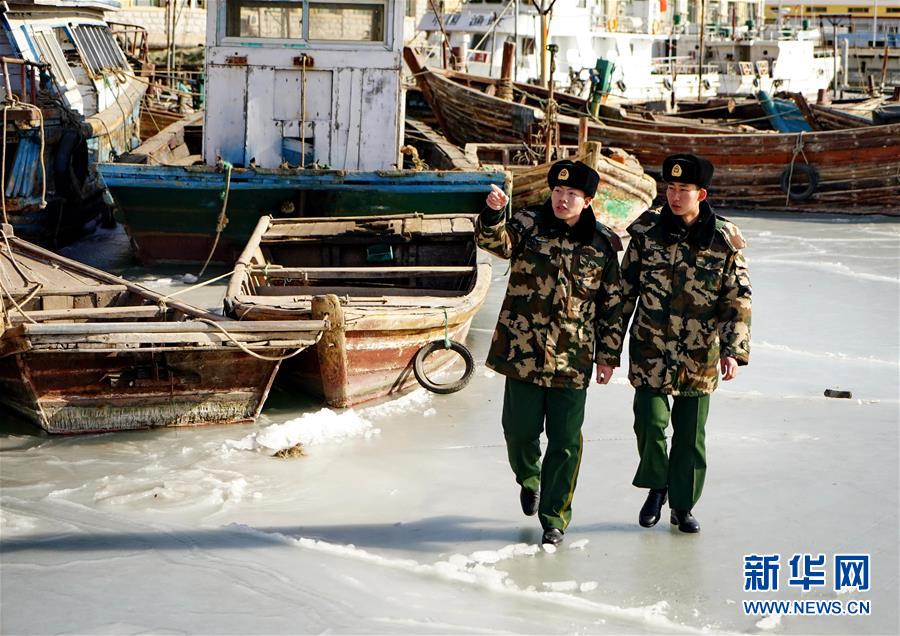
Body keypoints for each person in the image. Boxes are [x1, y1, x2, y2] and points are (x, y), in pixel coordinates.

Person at [476, 160, 623, 546]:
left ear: (588, 200)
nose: (562, 199)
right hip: (522, 352)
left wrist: (607, 356)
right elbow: (494, 242)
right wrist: (493, 213)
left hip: (572, 360)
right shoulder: (527, 225)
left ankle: (555, 517)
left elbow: (612, 306)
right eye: (558, 192)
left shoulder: (603, 244)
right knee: (519, 433)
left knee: (566, 442)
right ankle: (529, 477)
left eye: (572, 194)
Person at [617, 153, 752, 533]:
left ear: (702, 194)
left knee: (691, 437)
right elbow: (624, 292)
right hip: (650, 349)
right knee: (649, 421)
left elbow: (737, 299)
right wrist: (608, 349)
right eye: (670, 188)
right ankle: (657, 485)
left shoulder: (724, 239)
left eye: (684, 190)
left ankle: (682, 506)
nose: (674, 197)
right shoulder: (646, 232)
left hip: (699, 354)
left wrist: (733, 350)